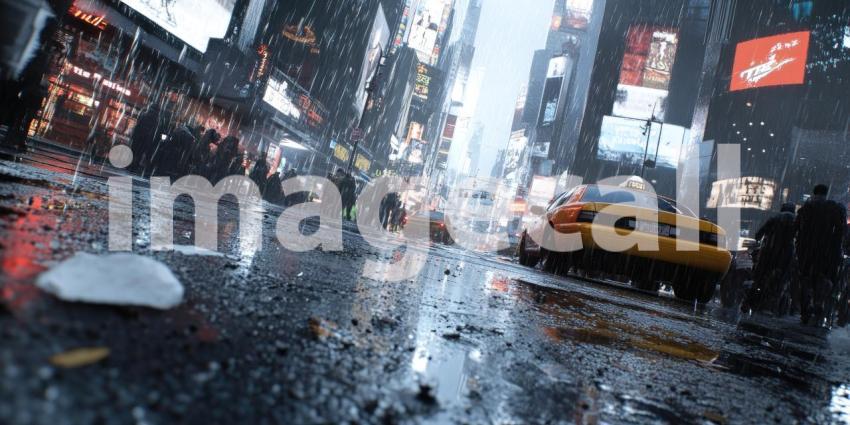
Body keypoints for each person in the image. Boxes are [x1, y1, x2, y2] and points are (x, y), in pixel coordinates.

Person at [795, 184, 847, 325]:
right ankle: (818, 301)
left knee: (805, 278)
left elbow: (797, 228)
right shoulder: (833, 208)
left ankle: (806, 307)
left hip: (806, 250)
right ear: (826, 193)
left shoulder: (807, 207)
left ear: (814, 193)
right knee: (822, 277)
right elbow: (840, 229)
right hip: (826, 251)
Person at [745, 202, 797, 313]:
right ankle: (770, 305)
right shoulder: (796, 220)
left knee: (758, 277)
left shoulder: (775, 217)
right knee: (781, 278)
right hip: (785, 255)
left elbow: (759, 233)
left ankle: (748, 301)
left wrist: (758, 239)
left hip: (768, 252)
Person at [129, 106, 162, 175]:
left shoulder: (144, 114)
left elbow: (138, 125)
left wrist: (134, 135)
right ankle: (135, 166)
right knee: (140, 153)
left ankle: (129, 165)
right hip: (146, 139)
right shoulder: (157, 119)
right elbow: (155, 132)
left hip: (138, 137)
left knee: (133, 151)